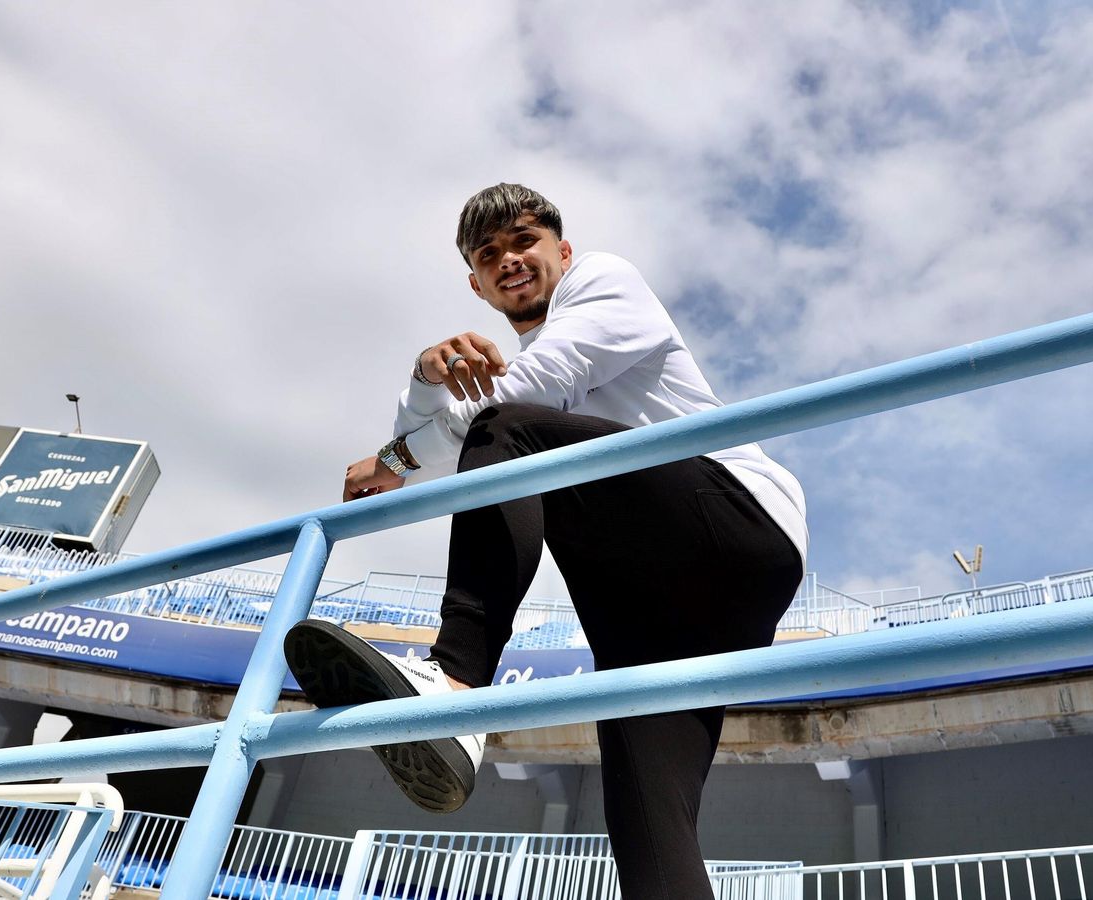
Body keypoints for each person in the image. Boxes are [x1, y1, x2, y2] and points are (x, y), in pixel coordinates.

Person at [284, 183, 807, 898]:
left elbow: (500, 413)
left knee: (505, 431)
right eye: (489, 254)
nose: (510, 260)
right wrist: (423, 382)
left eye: (524, 241)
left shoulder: (604, 283)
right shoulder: (505, 382)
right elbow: (430, 459)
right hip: (653, 607)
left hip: (735, 526)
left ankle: (457, 682)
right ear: (476, 282)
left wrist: (398, 458)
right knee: (650, 829)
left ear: (563, 250)